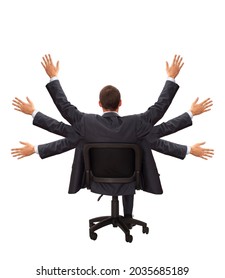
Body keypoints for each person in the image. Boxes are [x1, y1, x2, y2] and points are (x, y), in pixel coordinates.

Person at [11, 54, 214, 218]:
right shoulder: (137, 125)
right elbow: (160, 117)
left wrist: (35, 132)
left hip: (96, 181)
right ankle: (128, 216)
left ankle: (125, 216)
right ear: (121, 103)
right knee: (137, 157)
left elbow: (63, 119)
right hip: (129, 182)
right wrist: (189, 134)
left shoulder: (85, 124)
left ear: (99, 104)